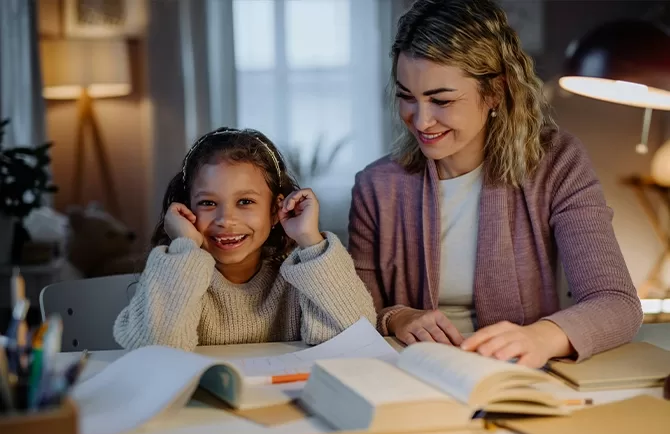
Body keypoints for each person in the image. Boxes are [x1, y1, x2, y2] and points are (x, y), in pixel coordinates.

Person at [347, 0, 642, 367]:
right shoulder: (376, 187)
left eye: (441, 100)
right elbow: (354, 315)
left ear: (495, 93)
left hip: (517, 375)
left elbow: (617, 302)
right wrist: (396, 316)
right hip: (410, 375)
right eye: (407, 97)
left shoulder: (557, 163)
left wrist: (541, 336)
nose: (421, 121)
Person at [114, 127, 376, 351]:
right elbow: (153, 351)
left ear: (275, 211)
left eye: (245, 202)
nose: (226, 219)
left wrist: (311, 241)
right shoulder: (173, 272)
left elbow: (357, 340)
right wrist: (184, 246)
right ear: (186, 211)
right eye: (207, 203)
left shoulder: (302, 278)